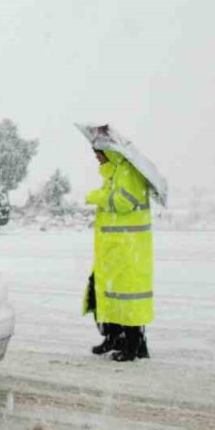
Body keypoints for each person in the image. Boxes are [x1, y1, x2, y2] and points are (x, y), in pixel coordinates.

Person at [83, 147, 154, 361]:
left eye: (99, 152)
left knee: (127, 297)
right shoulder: (114, 172)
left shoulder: (128, 171)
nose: (96, 156)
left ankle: (134, 346)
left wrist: (96, 196)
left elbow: (123, 202)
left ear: (110, 152)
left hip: (127, 248)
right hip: (113, 248)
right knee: (103, 293)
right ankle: (113, 337)